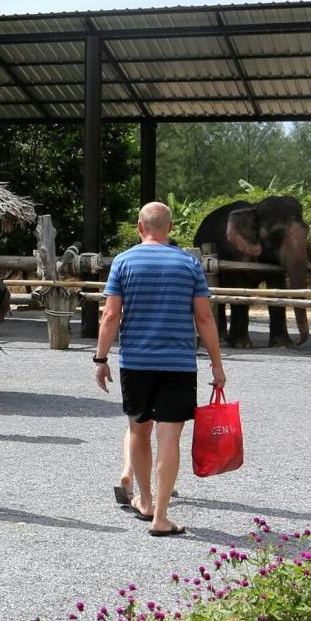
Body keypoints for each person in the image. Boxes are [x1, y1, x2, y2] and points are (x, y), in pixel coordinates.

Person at [95, 201, 226, 538]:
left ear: (140, 227)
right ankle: (162, 516)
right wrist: (216, 362)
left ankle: (147, 501)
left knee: (139, 432)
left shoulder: (123, 262)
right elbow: (205, 317)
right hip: (178, 364)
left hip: (136, 362)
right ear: (170, 228)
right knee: (170, 437)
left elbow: (110, 315)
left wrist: (100, 358)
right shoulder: (189, 263)